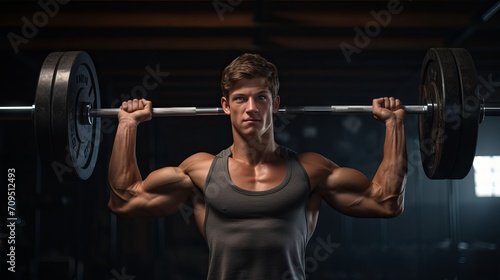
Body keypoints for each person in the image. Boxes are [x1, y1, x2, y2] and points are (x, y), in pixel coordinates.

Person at [108, 53, 408, 279]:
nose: (251, 108)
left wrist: (394, 124)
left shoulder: (310, 170)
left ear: (275, 104)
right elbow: (125, 199)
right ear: (225, 106)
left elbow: (385, 202)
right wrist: (127, 125)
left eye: (260, 98)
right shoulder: (201, 170)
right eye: (240, 99)